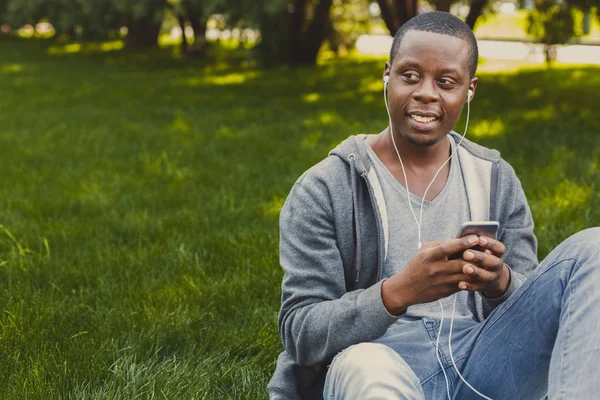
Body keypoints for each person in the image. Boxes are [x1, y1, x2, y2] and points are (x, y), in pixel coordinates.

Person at [267, 11, 600, 400]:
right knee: (367, 366)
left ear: (469, 90)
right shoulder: (326, 187)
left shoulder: (495, 177)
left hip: (483, 362)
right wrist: (397, 292)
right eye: (410, 76)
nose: (426, 92)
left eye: (446, 82)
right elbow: (301, 332)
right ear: (386, 74)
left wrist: (500, 283)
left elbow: (529, 306)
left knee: (593, 248)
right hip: (379, 365)